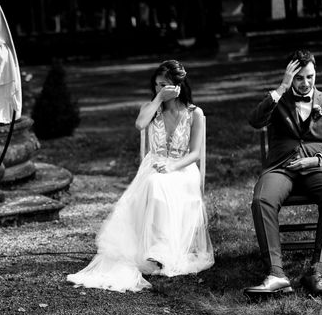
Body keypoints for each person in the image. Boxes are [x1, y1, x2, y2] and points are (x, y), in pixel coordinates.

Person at [67, 60, 214, 292]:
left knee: (158, 184)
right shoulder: (150, 108)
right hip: (153, 166)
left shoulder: (195, 114)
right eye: (156, 85)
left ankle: (162, 251)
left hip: (182, 169)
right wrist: (158, 100)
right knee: (154, 184)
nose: (159, 89)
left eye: (164, 85)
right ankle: (153, 251)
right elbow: (139, 124)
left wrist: (173, 167)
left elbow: (195, 153)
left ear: (178, 86)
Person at [245, 49, 322, 298]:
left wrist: (316, 160)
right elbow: (254, 120)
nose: (305, 83)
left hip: (317, 168)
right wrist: (281, 88)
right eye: (298, 78)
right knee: (262, 200)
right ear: (290, 77)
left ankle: (316, 272)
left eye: (310, 77)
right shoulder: (278, 100)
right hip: (280, 168)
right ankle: (276, 274)